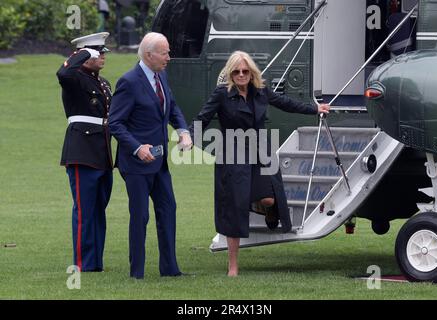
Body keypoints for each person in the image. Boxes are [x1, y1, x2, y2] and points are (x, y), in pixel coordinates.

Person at [189, 51, 330, 277]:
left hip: (260, 152)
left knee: (269, 199)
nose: (241, 75)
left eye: (245, 71)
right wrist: (188, 136)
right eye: (236, 71)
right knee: (235, 210)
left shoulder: (261, 92)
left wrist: (315, 109)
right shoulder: (222, 94)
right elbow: (202, 118)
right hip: (233, 155)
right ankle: (233, 265)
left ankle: (266, 211)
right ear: (230, 74)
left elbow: (285, 103)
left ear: (251, 72)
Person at [109, 32, 192, 279]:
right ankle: (137, 273)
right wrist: (137, 147)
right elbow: (115, 123)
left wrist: (184, 132)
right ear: (149, 55)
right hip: (135, 163)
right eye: (165, 52)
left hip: (160, 161)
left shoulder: (161, 75)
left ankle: (170, 269)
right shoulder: (129, 82)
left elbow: (172, 107)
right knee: (141, 215)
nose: (169, 57)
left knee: (168, 209)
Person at [56, 32, 113, 272]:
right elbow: (63, 73)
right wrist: (82, 53)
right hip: (82, 150)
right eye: (97, 52)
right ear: (85, 54)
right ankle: (83, 262)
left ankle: (95, 261)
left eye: (102, 52)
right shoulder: (74, 78)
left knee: (99, 209)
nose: (102, 56)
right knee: (84, 209)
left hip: (102, 151)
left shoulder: (103, 83)